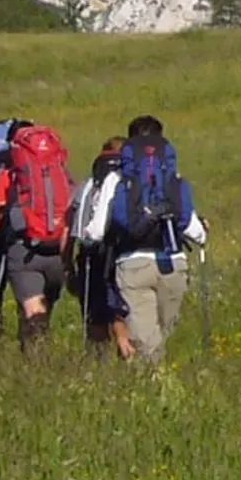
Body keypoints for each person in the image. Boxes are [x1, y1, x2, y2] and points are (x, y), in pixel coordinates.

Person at [79, 113, 203, 362]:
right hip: (172, 263)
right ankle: (159, 385)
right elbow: (193, 229)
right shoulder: (174, 180)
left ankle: (155, 388)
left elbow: (95, 231)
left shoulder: (116, 179)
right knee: (160, 336)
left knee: (147, 342)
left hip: (133, 263)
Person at [0, 118, 78, 348]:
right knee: (45, 310)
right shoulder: (58, 169)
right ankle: (38, 351)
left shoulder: (8, 172)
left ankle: (35, 361)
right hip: (58, 251)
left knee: (33, 312)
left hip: (25, 250)